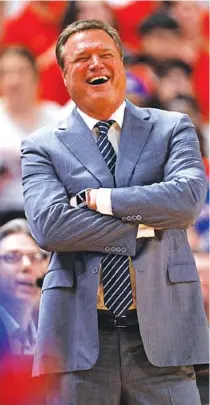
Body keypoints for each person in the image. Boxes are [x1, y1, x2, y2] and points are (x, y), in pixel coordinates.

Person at [21, 19, 209, 405]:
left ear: (122, 63)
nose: (96, 64)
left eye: (106, 55)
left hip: (164, 331)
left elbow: (188, 199)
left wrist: (102, 201)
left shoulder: (173, 127)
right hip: (77, 337)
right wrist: (144, 224)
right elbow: (50, 226)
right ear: (63, 74)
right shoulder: (40, 145)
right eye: (82, 58)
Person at [0, 46, 61, 225]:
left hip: (50, 212)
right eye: (6, 73)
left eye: (21, 71)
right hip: (5, 212)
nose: (14, 80)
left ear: (36, 77)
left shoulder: (58, 118)